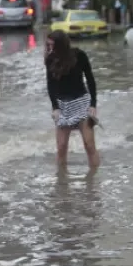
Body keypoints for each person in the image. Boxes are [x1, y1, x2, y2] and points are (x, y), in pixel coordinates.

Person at [45, 30, 100, 170]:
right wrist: (55, 107)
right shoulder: (50, 59)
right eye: (48, 45)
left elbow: (90, 80)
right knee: (62, 147)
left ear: (61, 45)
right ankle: (62, 184)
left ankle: (94, 182)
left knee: (89, 144)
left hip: (81, 101)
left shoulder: (79, 55)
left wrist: (93, 104)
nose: (50, 48)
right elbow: (50, 85)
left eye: (52, 45)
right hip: (63, 105)